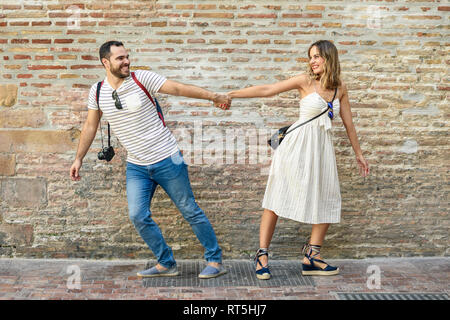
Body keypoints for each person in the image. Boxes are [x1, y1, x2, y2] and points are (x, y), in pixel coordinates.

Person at [69, 41, 230, 279]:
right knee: (137, 215)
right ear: (106, 62)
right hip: (137, 166)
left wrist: (213, 96)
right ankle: (166, 263)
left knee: (189, 210)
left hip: (167, 159)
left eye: (127, 56)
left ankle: (215, 261)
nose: (126, 61)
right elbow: (91, 125)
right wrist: (78, 158)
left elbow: (177, 88)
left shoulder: (142, 79)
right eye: (120, 58)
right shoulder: (97, 91)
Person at [228, 40, 369, 279]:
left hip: (322, 150)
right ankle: (262, 255)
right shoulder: (305, 81)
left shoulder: (340, 87)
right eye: (310, 57)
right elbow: (267, 90)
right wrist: (231, 94)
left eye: (317, 56)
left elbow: (349, 123)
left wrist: (358, 153)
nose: (312, 61)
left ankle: (312, 256)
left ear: (329, 58)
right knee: (277, 196)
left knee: (328, 195)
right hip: (295, 148)